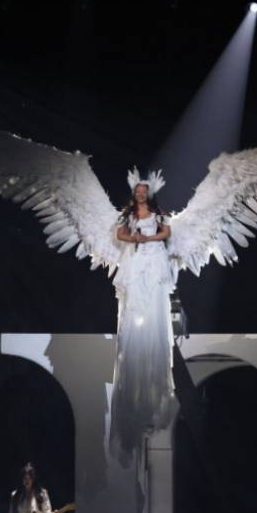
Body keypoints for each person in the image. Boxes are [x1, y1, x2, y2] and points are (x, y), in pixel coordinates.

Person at [108, 175, 177, 466]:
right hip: (137, 262)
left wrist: (148, 238)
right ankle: (134, 402)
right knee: (135, 312)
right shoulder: (129, 216)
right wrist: (134, 237)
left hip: (153, 260)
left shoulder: (157, 214)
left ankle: (152, 396)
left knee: (152, 312)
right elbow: (120, 235)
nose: (140, 195)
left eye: (143, 192)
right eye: (137, 192)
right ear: (134, 194)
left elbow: (167, 232)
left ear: (148, 194)